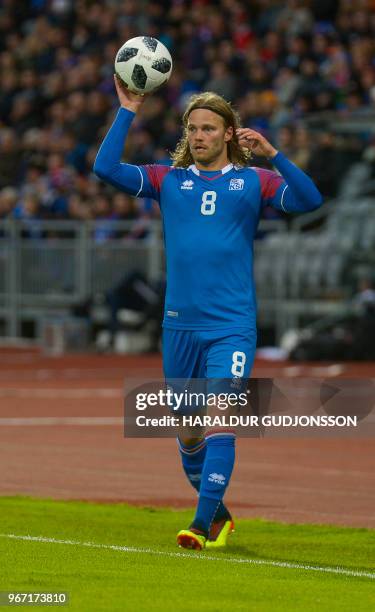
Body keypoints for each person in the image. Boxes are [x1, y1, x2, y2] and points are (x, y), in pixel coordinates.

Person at [94, 77, 323, 551]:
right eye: (193, 128)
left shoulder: (252, 181)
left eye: (209, 128)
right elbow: (104, 167)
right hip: (179, 326)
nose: (199, 136)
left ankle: (199, 526)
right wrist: (128, 109)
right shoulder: (166, 181)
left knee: (221, 414)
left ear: (228, 134)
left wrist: (274, 154)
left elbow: (309, 200)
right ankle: (218, 515)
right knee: (188, 431)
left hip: (230, 326)